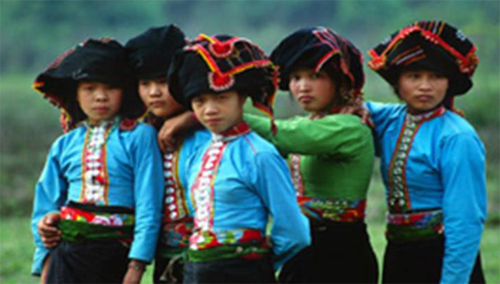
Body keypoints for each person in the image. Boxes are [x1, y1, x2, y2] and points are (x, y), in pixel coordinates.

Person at [232, 27, 377, 283]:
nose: (303, 86)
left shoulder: (351, 127)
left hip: (340, 251)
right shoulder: (312, 123)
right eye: (296, 77)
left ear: (340, 81)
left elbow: (280, 134)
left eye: (315, 76)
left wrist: (220, 108)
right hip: (305, 247)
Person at [167, 34, 311, 283]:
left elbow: (296, 233)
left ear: (241, 99)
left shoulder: (260, 155)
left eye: (221, 98)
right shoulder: (196, 156)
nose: (210, 109)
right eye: (200, 101)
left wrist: (254, 263)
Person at [31, 38, 164, 284]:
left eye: (110, 88)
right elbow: (47, 203)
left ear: (125, 91)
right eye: (89, 88)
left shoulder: (140, 137)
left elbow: (149, 205)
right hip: (67, 252)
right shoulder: (64, 145)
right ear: (76, 94)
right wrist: (45, 254)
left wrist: (137, 265)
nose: (100, 97)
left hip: (115, 254)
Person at [366, 20, 486, 283]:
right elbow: (353, 108)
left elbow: (465, 220)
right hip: (399, 254)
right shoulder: (390, 119)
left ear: (449, 83)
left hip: (441, 256)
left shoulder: (457, 137)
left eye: (436, 77)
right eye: (414, 76)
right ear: (397, 82)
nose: (425, 86)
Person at [125, 24, 210, 284]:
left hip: (208, 259)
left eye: (163, 82)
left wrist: (192, 117)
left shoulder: (210, 133)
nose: (153, 92)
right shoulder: (140, 135)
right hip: (164, 257)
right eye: (144, 83)